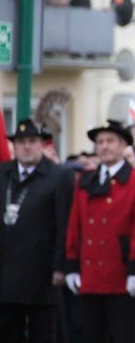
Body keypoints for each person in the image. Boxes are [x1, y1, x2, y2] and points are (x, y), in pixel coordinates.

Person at [64, 119, 135, 343]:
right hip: (90, 273)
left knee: (122, 335)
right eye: (100, 141)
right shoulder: (86, 180)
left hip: (120, 273)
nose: (104, 146)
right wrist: (71, 265)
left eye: (110, 141)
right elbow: (75, 224)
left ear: (124, 146)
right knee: (91, 335)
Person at [0, 119, 74, 343]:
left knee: (42, 334)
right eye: (21, 142)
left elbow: (65, 223)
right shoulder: (3, 174)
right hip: (5, 273)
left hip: (41, 274)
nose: (26, 147)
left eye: (32, 141)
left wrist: (60, 265)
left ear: (42, 144)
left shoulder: (59, 176)